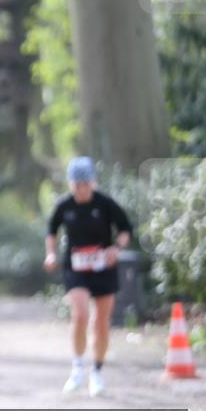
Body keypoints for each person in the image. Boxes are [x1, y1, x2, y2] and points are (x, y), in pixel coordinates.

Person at [44, 156, 132, 398]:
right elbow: (51, 230)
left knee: (101, 322)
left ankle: (97, 372)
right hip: (76, 269)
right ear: (71, 183)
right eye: (77, 183)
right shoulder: (65, 206)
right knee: (81, 315)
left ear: (93, 181)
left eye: (85, 182)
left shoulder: (105, 204)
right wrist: (50, 255)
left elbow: (125, 229)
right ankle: (77, 368)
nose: (81, 188)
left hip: (103, 267)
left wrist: (117, 248)